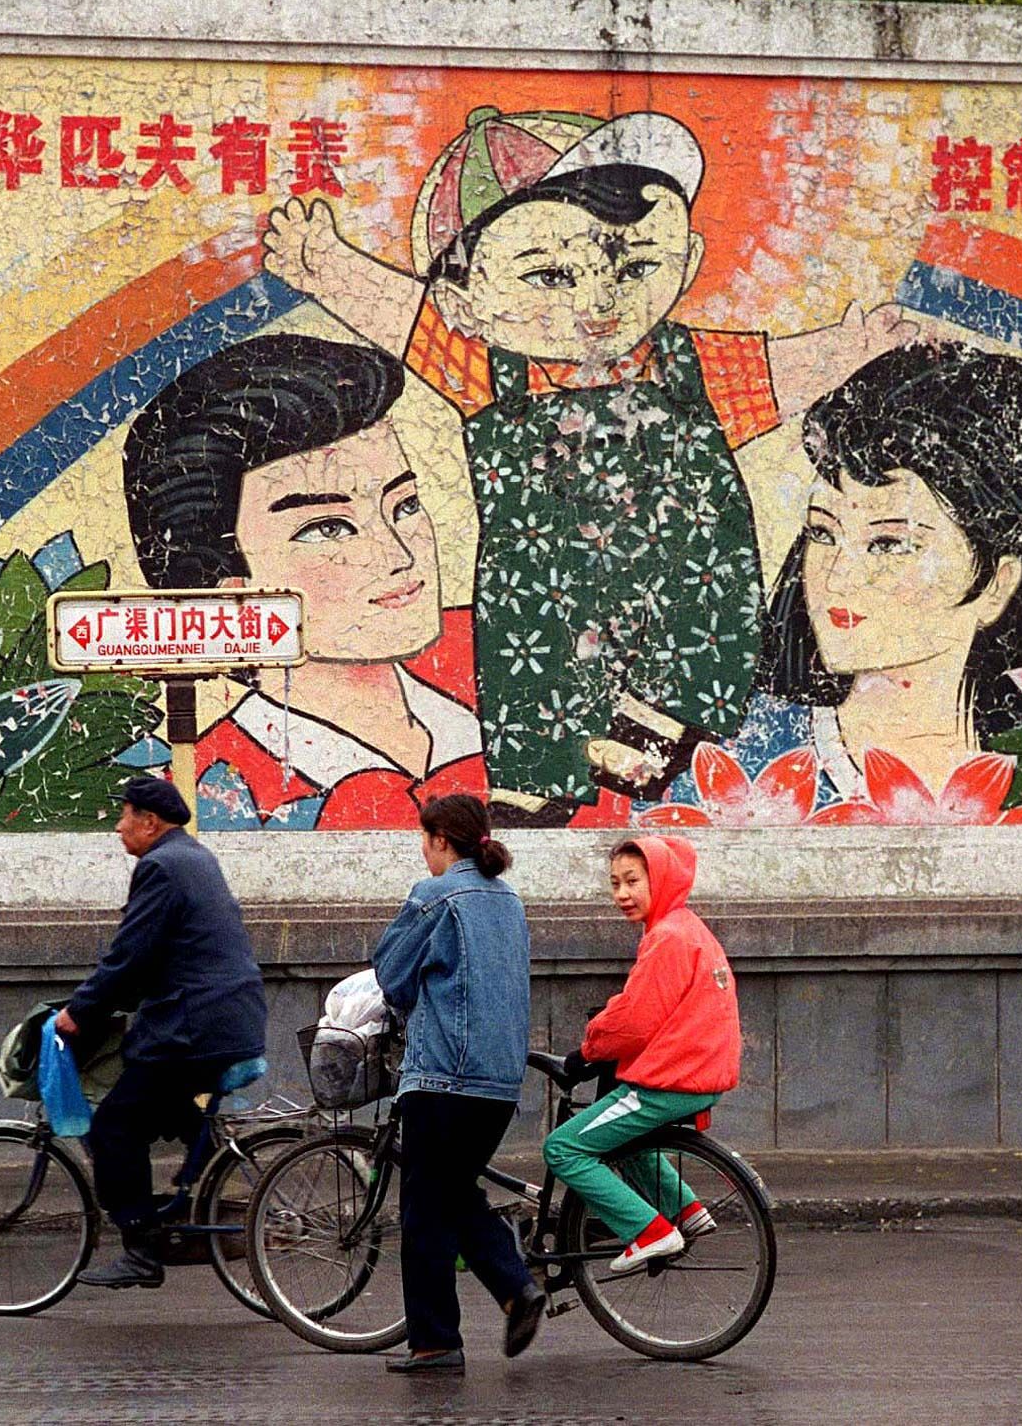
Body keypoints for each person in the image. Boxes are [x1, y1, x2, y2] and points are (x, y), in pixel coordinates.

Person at [262, 106, 915, 820]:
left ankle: (657, 729)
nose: (600, 301)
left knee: (704, 623)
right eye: (550, 277)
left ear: (687, 262)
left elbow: (776, 372)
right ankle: (533, 788)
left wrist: (846, 351)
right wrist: (326, 267)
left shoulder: (691, 366)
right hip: (545, 586)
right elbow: (402, 316)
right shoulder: (485, 373)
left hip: (682, 580)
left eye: (635, 267)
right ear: (465, 302)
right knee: (530, 668)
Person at [670, 342, 1022, 810]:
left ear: (999, 582)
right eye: (824, 533)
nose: (837, 577)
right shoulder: (735, 765)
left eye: (889, 544)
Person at [123, 333, 486, 829]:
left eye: (404, 506)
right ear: (230, 593)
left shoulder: (499, 657)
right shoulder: (215, 789)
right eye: (328, 528)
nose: (399, 555)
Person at [61, 775, 268, 1289]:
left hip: (194, 1026)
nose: (118, 827)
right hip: (224, 1017)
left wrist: (80, 1011)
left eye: (125, 816)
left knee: (115, 1125)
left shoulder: (161, 867)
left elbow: (130, 955)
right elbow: (164, 954)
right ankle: (204, 1161)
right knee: (159, 1094)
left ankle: (140, 1247)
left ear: (150, 823)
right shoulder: (193, 857)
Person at [370, 793, 544, 1374]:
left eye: (424, 838)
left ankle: (436, 1341)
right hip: (498, 1083)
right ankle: (515, 1287)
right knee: (451, 1191)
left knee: (423, 1206)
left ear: (441, 839)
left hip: (444, 1076)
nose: (422, 849)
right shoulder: (508, 899)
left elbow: (391, 973)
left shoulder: (436, 896)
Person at [542, 835, 739, 1274]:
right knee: (624, 1142)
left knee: (562, 1149)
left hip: (669, 1079)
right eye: (614, 883)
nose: (622, 894)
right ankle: (686, 1211)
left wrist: (589, 1047)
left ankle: (650, 1232)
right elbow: (643, 1003)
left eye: (633, 880)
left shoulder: (666, 937)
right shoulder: (687, 928)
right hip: (699, 1074)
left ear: (660, 878)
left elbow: (634, 1021)